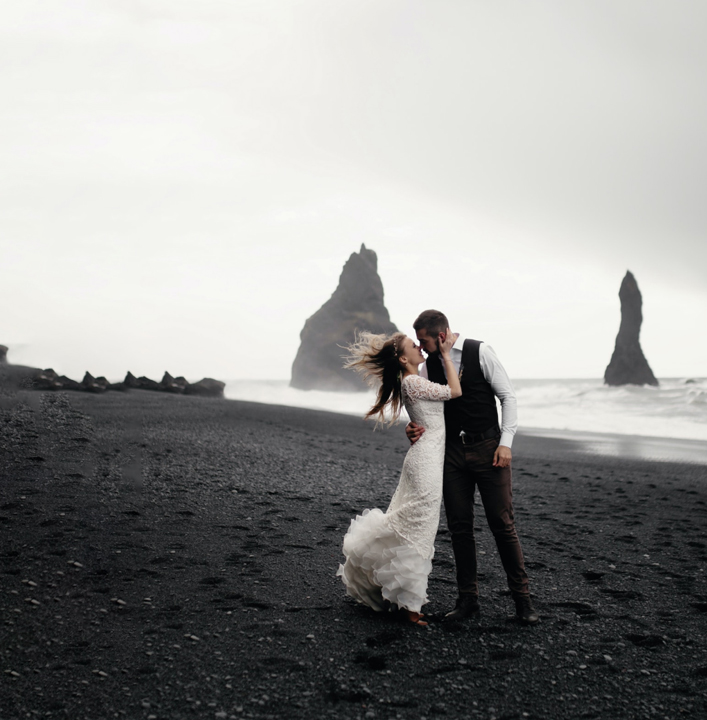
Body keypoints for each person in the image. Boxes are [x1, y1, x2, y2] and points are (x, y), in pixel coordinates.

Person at [407, 309, 539, 625]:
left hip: (489, 449)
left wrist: (506, 442)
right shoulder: (428, 367)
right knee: (459, 527)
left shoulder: (480, 351)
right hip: (451, 454)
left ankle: (523, 602)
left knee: (502, 524)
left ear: (440, 336)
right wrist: (412, 428)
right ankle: (468, 601)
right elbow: (426, 411)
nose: (420, 347)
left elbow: (508, 397)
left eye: (423, 340)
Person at [337, 329, 461, 626]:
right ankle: (410, 606)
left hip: (425, 459)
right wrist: (445, 353)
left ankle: (406, 600)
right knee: (419, 531)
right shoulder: (414, 381)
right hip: (426, 463)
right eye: (413, 345)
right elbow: (455, 392)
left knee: (415, 528)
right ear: (403, 358)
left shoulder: (412, 381)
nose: (420, 347)